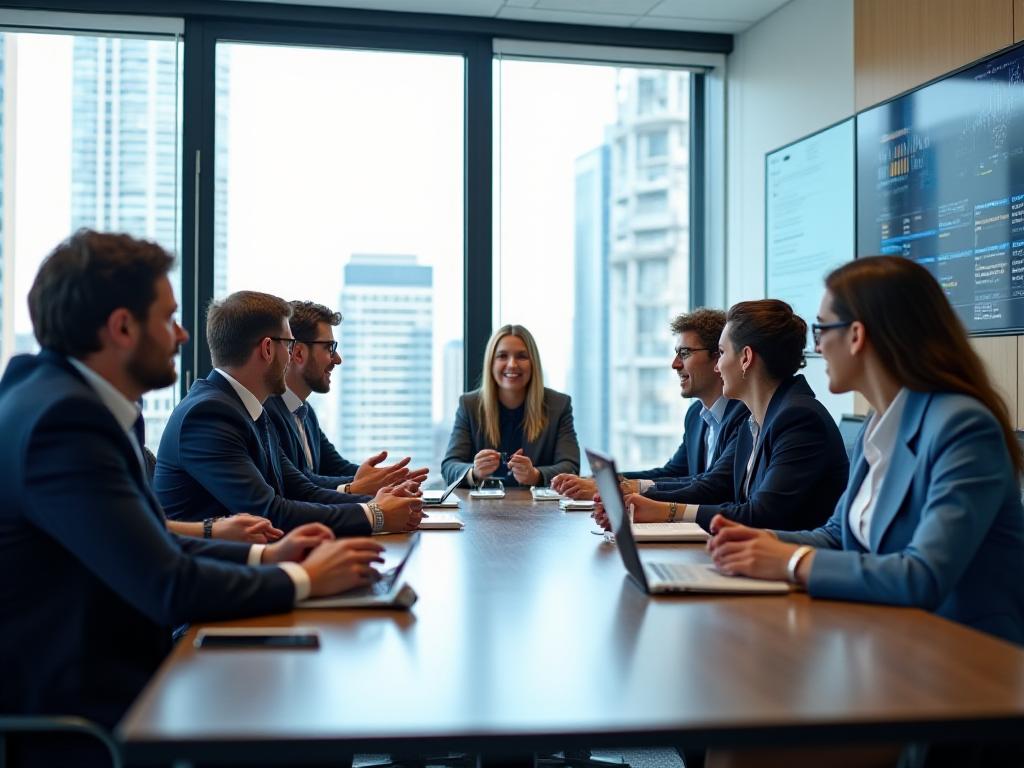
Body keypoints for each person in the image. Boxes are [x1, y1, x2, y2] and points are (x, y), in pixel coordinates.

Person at [0, 231, 388, 756]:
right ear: (121, 328)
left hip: (119, 678)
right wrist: (300, 578)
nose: (182, 336)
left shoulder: (65, 401)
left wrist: (264, 554)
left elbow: (149, 541)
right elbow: (167, 583)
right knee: (300, 710)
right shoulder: (63, 423)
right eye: (168, 318)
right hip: (87, 716)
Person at [706, 257, 1024, 644]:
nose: (817, 346)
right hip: (891, 643)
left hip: (969, 662)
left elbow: (922, 576)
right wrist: (761, 543)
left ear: (856, 335)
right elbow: (840, 535)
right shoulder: (879, 422)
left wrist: (790, 561)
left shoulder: (962, 427)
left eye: (822, 329)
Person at [154, 291, 424, 537]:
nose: (291, 354)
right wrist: (375, 514)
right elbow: (269, 511)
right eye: (289, 344)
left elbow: (300, 489)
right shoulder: (208, 415)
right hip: (212, 576)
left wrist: (384, 503)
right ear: (268, 349)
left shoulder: (249, 408)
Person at [596, 300, 848, 533]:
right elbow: (736, 502)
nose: (718, 366)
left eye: (722, 353)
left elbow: (762, 514)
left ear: (746, 358)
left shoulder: (798, 418)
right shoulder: (757, 420)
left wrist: (667, 511)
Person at [551, 308, 747, 500]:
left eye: (685, 353)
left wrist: (622, 488)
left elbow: (715, 486)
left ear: (717, 357)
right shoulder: (696, 415)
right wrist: (601, 481)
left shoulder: (744, 415)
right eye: (676, 353)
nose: (675, 364)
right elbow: (673, 472)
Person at [264, 300, 428, 494]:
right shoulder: (267, 412)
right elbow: (300, 483)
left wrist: (390, 479)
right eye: (329, 348)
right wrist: (369, 484)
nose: (338, 359)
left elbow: (336, 467)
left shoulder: (305, 413)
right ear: (298, 353)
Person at [442, 324, 579, 487]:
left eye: (522, 356)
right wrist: (474, 472)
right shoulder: (470, 405)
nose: (512, 364)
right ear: (491, 363)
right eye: (502, 356)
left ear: (533, 363)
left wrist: (536, 475)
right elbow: (449, 466)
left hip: (539, 510)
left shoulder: (558, 405)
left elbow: (571, 468)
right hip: (483, 509)